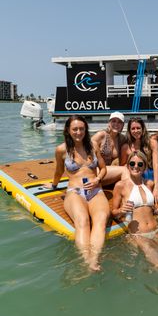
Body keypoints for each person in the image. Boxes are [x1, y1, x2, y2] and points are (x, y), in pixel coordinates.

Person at [47, 115, 110, 271]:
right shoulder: (61, 150)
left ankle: (93, 260)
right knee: (82, 221)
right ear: (68, 130)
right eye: (75, 129)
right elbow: (59, 170)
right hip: (75, 192)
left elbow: (103, 169)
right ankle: (86, 259)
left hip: (95, 190)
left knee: (101, 220)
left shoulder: (93, 145)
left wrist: (97, 180)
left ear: (85, 130)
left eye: (81, 129)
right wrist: (54, 184)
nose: (78, 132)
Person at [112, 151, 158, 273]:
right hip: (139, 235)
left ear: (144, 167)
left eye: (140, 164)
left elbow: (151, 209)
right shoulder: (120, 186)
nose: (136, 166)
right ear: (128, 166)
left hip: (157, 230)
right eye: (132, 163)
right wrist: (121, 210)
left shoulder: (149, 184)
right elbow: (113, 212)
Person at [92, 112, 126, 185]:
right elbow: (86, 150)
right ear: (109, 123)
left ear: (123, 125)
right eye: (113, 121)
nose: (116, 124)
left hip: (110, 172)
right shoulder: (101, 135)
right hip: (97, 171)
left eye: (119, 122)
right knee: (125, 170)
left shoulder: (122, 139)